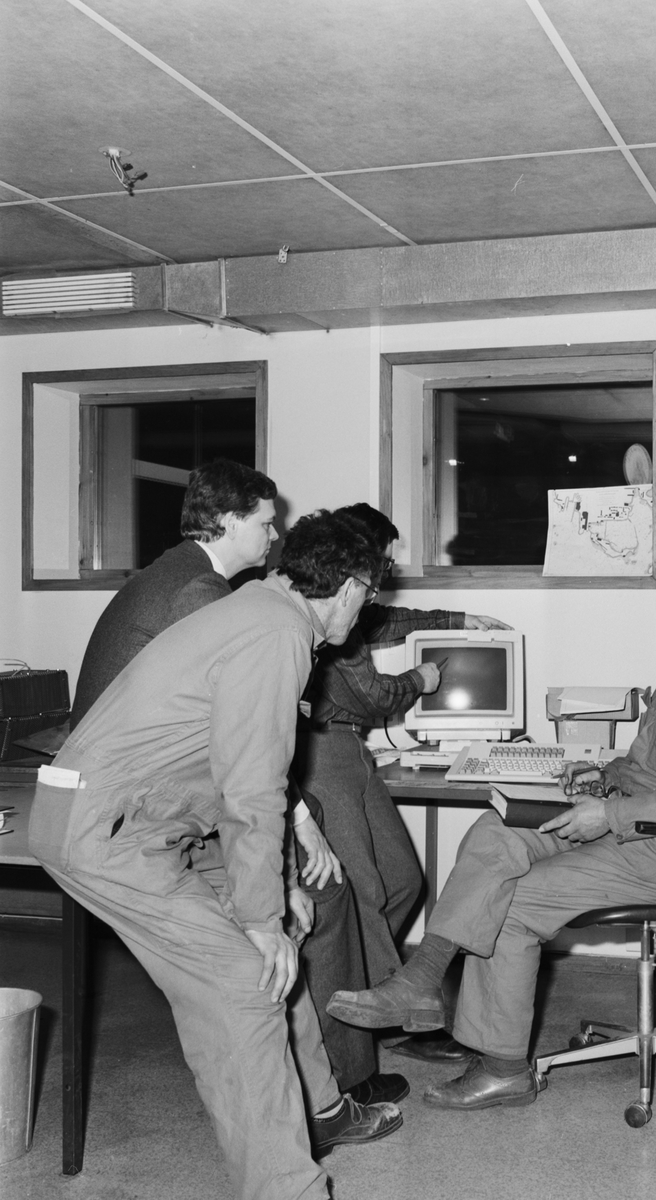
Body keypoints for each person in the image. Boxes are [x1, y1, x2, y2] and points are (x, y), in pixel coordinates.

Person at [30, 511, 405, 1200]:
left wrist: (277, 892)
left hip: (156, 820)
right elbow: (252, 787)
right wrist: (260, 918)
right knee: (248, 981)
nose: (367, 608)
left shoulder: (265, 609)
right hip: (105, 830)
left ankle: (321, 1109)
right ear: (351, 587)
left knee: (277, 950)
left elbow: (247, 764)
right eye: (371, 594)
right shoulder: (276, 634)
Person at [326, 565, 656, 1110]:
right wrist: (603, 775)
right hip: (639, 831)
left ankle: (504, 1069)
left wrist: (607, 814)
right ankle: (422, 978)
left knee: (512, 901)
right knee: (497, 830)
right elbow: (647, 768)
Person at [293, 502, 510, 1076]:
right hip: (320, 753)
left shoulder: (355, 609)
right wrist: (422, 678)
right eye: (382, 567)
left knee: (403, 879)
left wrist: (458, 619)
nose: (386, 579)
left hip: (350, 749)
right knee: (360, 891)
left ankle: (373, 994)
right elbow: (372, 697)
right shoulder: (330, 615)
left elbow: (391, 620)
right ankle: (358, 1037)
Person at [71, 458, 279, 728]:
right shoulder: (198, 585)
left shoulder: (183, 567)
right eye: (266, 524)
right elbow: (240, 692)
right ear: (231, 524)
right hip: (121, 751)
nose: (274, 535)